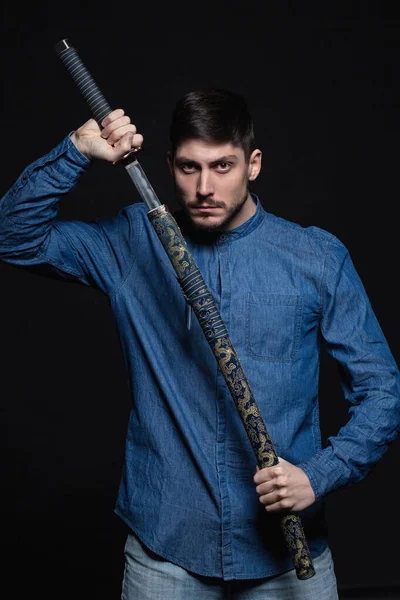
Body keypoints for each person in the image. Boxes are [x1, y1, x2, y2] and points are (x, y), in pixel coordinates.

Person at [1, 88, 399, 600]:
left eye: (223, 166)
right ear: (168, 165)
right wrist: (76, 152)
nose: (205, 187)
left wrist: (319, 475)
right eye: (189, 168)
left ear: (253, 164)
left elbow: (381, 390)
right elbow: (14, 238)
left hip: (288, 558)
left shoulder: (315, 257)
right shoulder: (129, 243)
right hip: (165, 556)